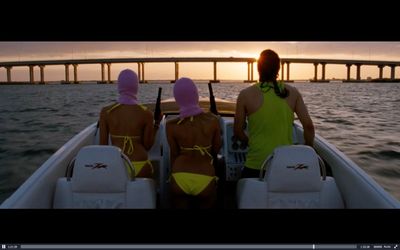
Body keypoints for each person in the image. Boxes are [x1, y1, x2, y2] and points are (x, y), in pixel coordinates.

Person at [234, 49, 315, 178]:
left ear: (258, 68)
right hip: (284, 166)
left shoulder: (245, 95)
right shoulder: (293, 92)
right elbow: (309, 127)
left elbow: (238, 132)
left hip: (256, 166)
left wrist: (252, 141)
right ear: (278, 69)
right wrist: (309, 149)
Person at [166, 77, 222, 209]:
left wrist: (172, 178)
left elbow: (174, 155)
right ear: (196, 95)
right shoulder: (213, 120)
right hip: (205, 177)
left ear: (177, 99)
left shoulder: (170, 125)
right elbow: (216, 149)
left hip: (180, 176)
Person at [99, 69, 159, 179]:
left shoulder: (106, 112)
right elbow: (148, 146)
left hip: (117, 165)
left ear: (119, 87)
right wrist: (157, 124)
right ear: (136, 87)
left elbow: (102, 146)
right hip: (140, 165)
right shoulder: (146, 113)